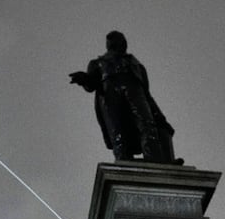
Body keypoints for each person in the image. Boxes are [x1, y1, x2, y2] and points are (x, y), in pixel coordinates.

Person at [69, 31, 180, 164]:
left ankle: (155, 159)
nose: (121, 44)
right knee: (117, 130)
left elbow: (146, 92)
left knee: (146, 123)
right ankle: (123, 160)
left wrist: (156, 112)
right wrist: (84, 79)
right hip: (109, 93)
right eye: (116, 42)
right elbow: (91, 85)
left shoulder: (136, 65)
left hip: (135, 91)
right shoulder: (98, 63)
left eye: (121, 41)